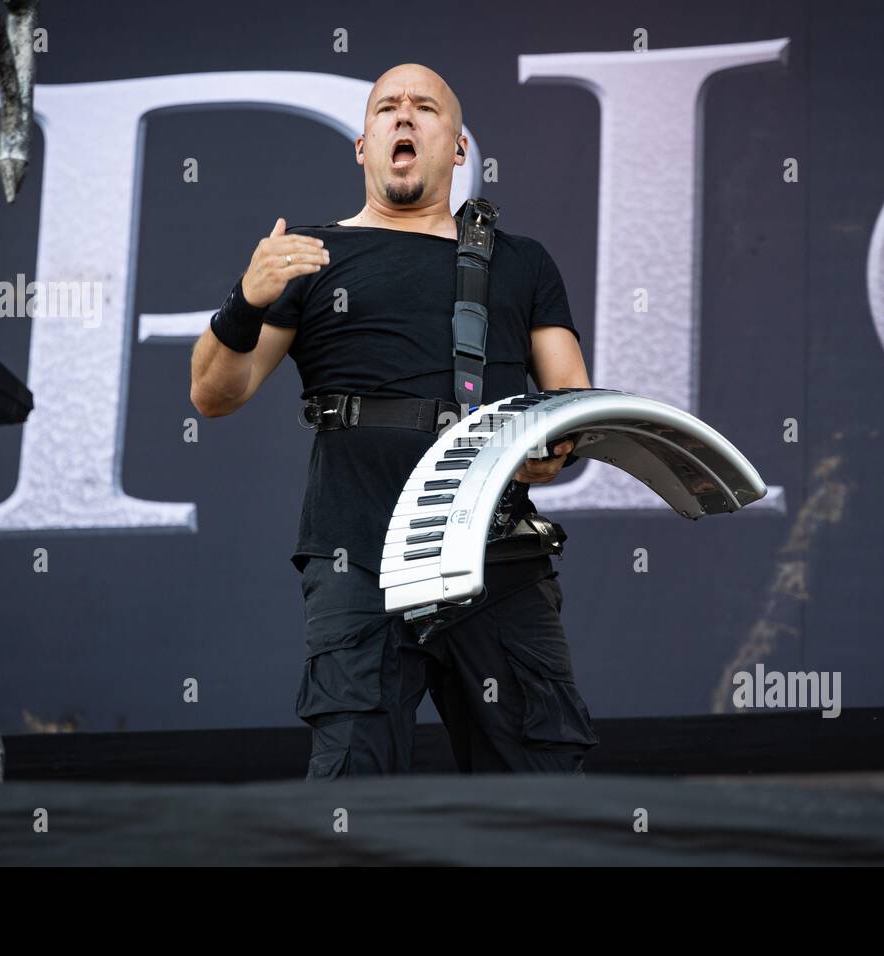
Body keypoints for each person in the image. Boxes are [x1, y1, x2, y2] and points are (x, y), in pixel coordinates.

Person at [189, 63, 599, 778]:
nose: (404, 118)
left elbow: (572, 398)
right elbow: (213, 395)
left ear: (460, 145)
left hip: (494, 553)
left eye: (425, 107)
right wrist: (244, 302)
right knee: (354, 776)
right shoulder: (307, 256)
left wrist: (555, 444)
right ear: (362, 143)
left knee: (543, 777)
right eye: (387, 109)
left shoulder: (523, 263)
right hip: (357, 553)